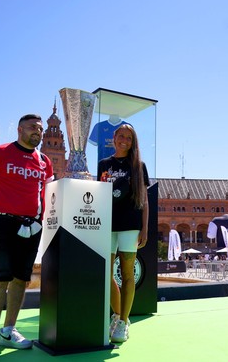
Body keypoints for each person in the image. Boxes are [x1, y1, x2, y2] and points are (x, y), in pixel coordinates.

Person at [0, 114, 54, 357]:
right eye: (32, 127)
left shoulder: (44, 161)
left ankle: (9, 330)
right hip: (3, 224)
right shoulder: (0, 152)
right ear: (20, 129)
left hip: (32, 226)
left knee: (21, 279)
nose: (37, 131)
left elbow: (49, 195)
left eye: (40, 128)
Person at [97, 124, 149, 343]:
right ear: (114, 138)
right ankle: (119, 316)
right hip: (107, 224)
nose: (124, 140)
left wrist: (145, 228)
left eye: (129, 137)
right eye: (121, 136)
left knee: (127, 275)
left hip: (130, 224)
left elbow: (144, 200)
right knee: (106, 275)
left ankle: (123, 322)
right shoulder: (103, 164)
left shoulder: (138, 166)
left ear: (133, 141)